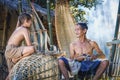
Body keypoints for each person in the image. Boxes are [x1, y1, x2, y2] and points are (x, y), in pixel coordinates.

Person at [5, 13, 35, 79]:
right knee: (32, 49)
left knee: (11, 74)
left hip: (9, 50)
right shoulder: (24, 30)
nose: (31, 23)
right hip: (12, 50)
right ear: (26, 20)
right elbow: (29, 45)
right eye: (30, 21)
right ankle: (15, 59)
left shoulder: (18, 28)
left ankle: (14, 60)